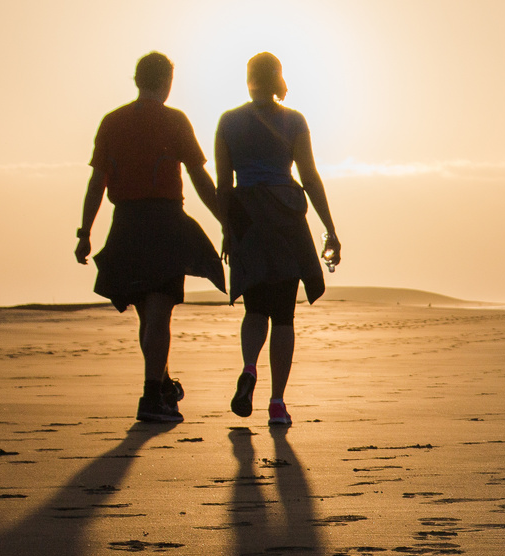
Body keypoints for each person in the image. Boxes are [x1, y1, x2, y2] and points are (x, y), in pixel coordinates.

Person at [76, 52, 225, 424]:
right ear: (167, 82)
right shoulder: (174, 120)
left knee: (148, 315)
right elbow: (199, 178)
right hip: (163, 222)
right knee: (158, 313)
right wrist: (227, 220)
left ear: (137, 79)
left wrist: (85, 232)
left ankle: (161, 385)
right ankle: (151, 396)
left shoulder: (112, 122)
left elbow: (98, 182)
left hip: (125, 223)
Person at [215, 52, 341, 426]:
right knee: (284, 314)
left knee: (256, 308)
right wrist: (330, 228)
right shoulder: (294, 120)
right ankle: (276, 402)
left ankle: (250, 368)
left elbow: (224, 185)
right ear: (278, 78)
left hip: (247, 217)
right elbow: (310, 177)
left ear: (249, 79)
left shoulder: (228, 121)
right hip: (285, 215)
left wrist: (227, 228)